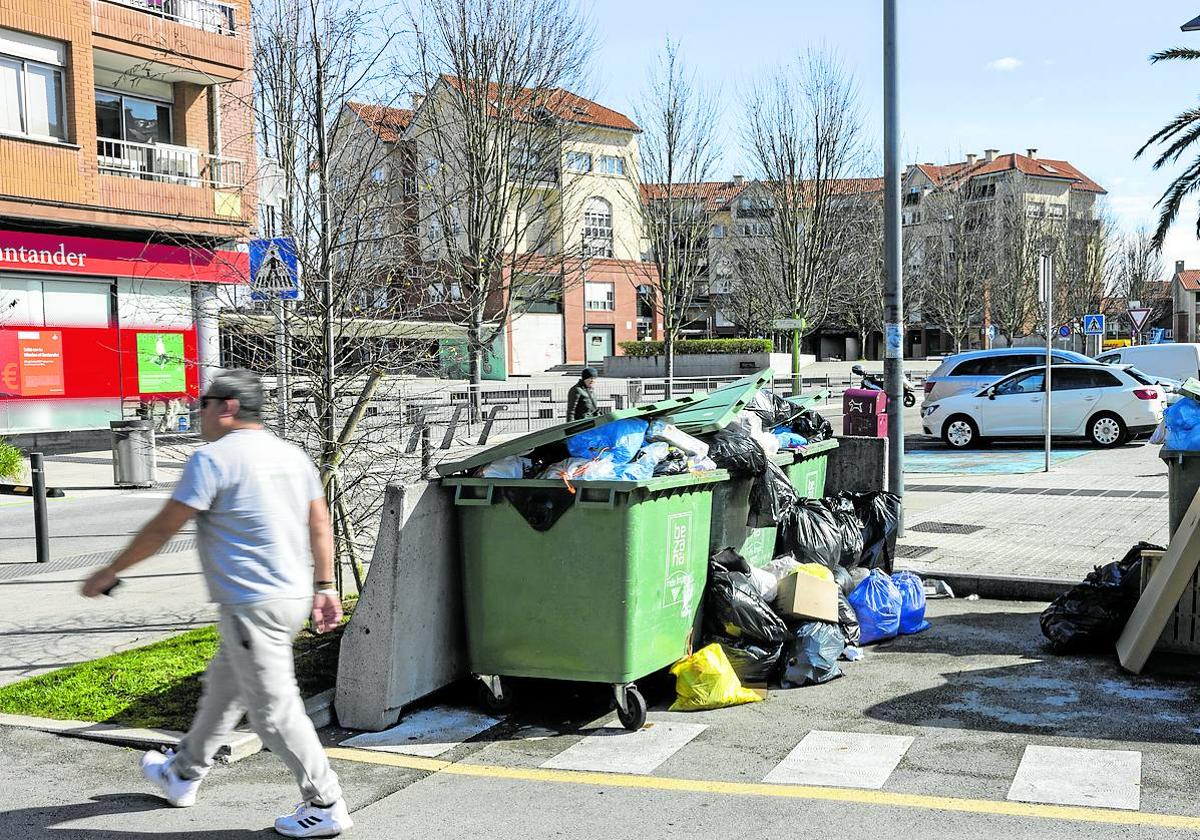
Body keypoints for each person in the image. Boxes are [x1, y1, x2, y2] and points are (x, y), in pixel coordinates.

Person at [82, 369, 352, 838]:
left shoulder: (212, 460)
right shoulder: (292, 455)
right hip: (286, 600)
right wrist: (325, 585)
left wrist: (112, 570)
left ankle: (325, 802)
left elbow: (163, 528)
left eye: (203, 403)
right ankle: (182, 772)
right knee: (225, 687)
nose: (197, 411)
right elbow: (320, 524)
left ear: (227, 407)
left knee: (272, 711)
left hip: (252, 602)